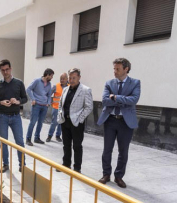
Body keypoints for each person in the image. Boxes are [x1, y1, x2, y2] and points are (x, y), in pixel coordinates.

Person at [97, 58, 141, 188]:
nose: (115, 72)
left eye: (118, 69)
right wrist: (123, 100)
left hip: (125, 122)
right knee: (107, 150)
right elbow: (105, 101)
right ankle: (106, 174)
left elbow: (133, 100)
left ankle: (119, 176)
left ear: (126, 69)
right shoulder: (109, 83)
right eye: (114, 69)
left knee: (123, 151)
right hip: (110, 120)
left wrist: (115, 97)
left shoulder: (135, 83)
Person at [0, 59, 28, 172]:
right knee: (4, 141)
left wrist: (17, 101)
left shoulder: (19, 83)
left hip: (16, 116)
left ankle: (22, 164)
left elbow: (25, 98)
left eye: (7, 69)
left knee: (19, 141)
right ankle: (5, 164)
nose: (5, 72)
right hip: (2, 117)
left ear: (10, 69)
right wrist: (0, 102)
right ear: (0, 71)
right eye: (3, 70)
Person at [57, 68, 93, 173]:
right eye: (70, 78)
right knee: (66, 145)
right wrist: (60, 115)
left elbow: (89, 107)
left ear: (79, 78)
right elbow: (60, 104)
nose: (71, 80)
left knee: (77, 146)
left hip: (77, 123)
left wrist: (80, 119)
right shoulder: (65, 89)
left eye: (74, 78)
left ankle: (77, 168)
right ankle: (66, 164)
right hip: (65, 121)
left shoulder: (85, 90)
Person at [25, 68, 54, 145]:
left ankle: (36, 138)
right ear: (47, 75)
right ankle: (28, 139)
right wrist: (33, 99)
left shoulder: (49, 84)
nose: (52, 78)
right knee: (33, 122)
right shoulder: (37, 81)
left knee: (40, 123)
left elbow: (49, 94)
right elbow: (28, 89)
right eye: (51, 76)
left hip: (44, 106)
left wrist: (48, 103)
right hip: (36, 105)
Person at [46, 73, 68, 142]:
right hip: (56, 107)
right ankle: (49, 136)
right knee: (54, 122)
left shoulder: (69, 87)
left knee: (61, 123)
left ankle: (58, 136)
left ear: (67, 79)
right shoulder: (56, 86)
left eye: (63, 79)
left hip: (64, 108)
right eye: (61, 79)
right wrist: (48, 102)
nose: (62, 80)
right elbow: (49, 94)